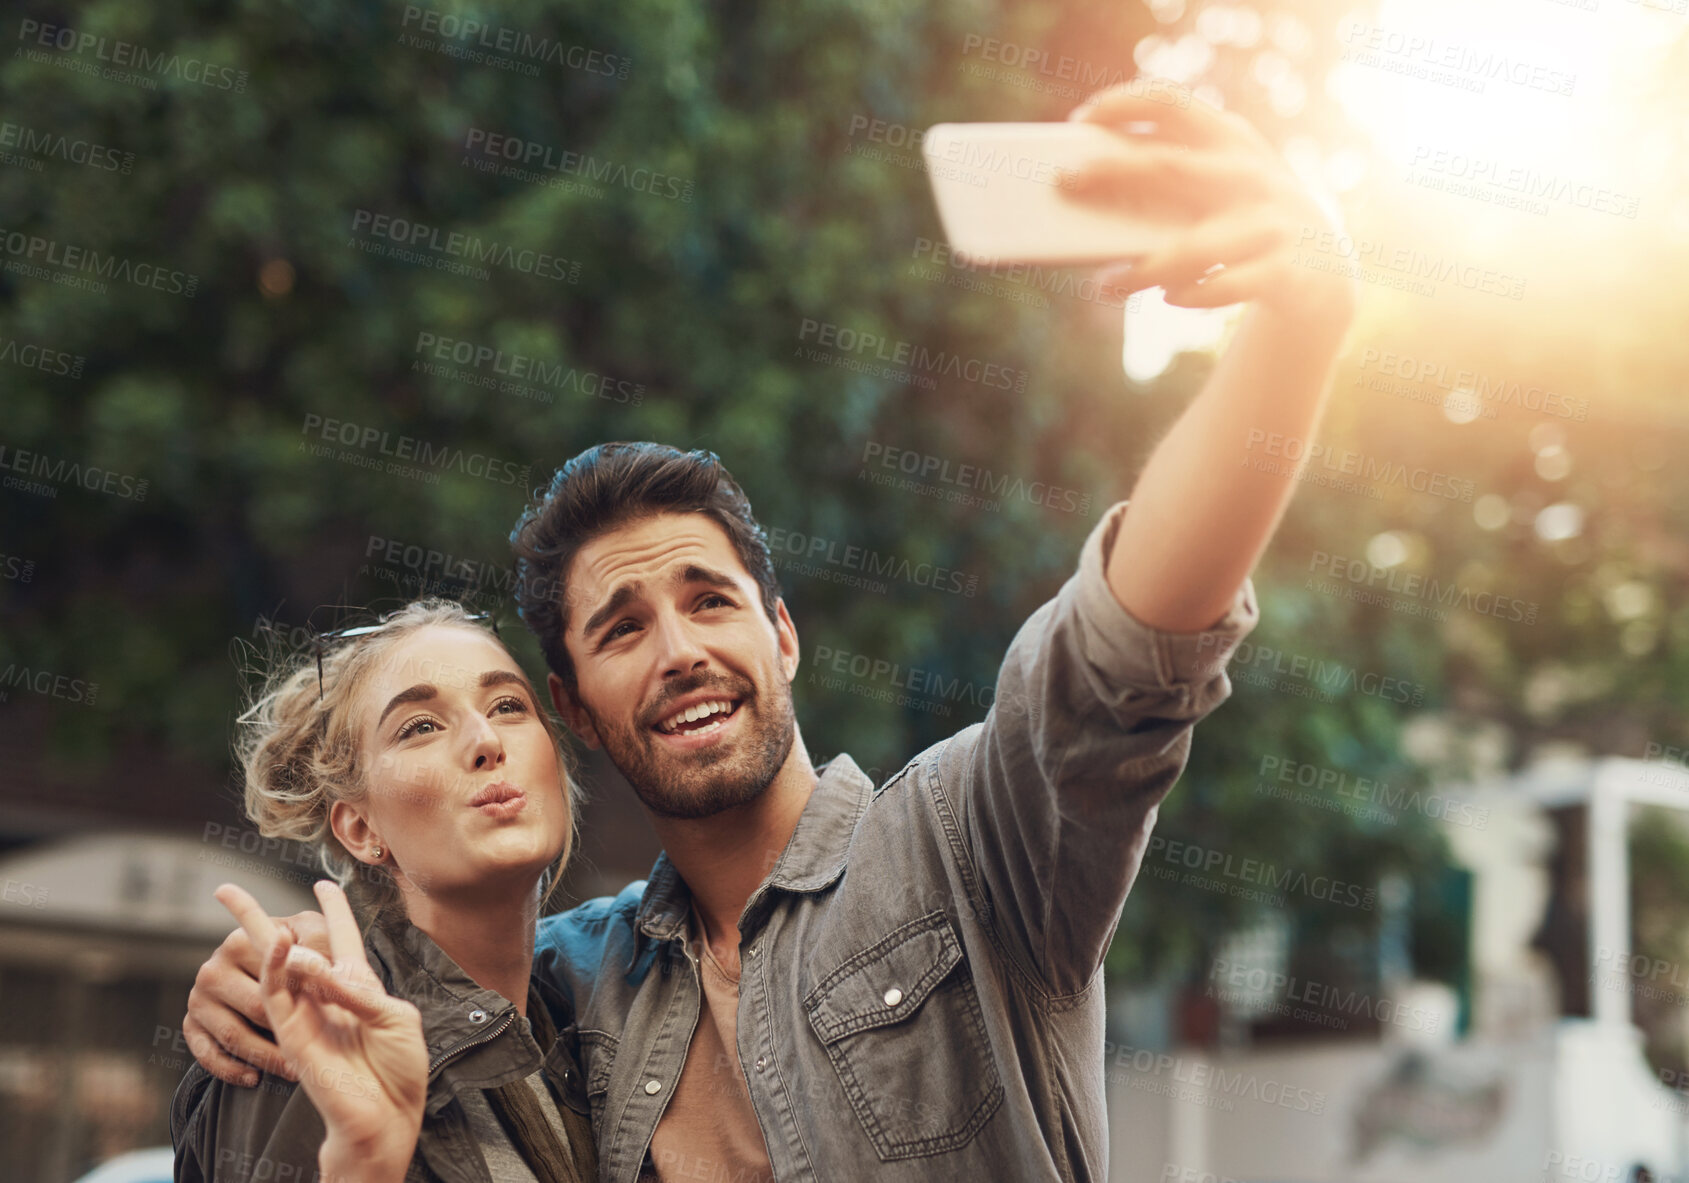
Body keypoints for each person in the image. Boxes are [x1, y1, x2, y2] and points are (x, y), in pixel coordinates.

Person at [182, 84, 1360, 1181]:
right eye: (623, 625)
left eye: (709, 599)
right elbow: (421, 970)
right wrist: (251, 978)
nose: (682, 648)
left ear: (781, 633)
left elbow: (1121, 657)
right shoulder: (573, 983)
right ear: (579, 707)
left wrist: (1298, 330)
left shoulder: (969, 846)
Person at [171, 600, 598, 1183]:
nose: (486, 741)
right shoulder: (315, 1029)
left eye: (508, 706)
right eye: (420, 726)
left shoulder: (590, 1020)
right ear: (360, 828)